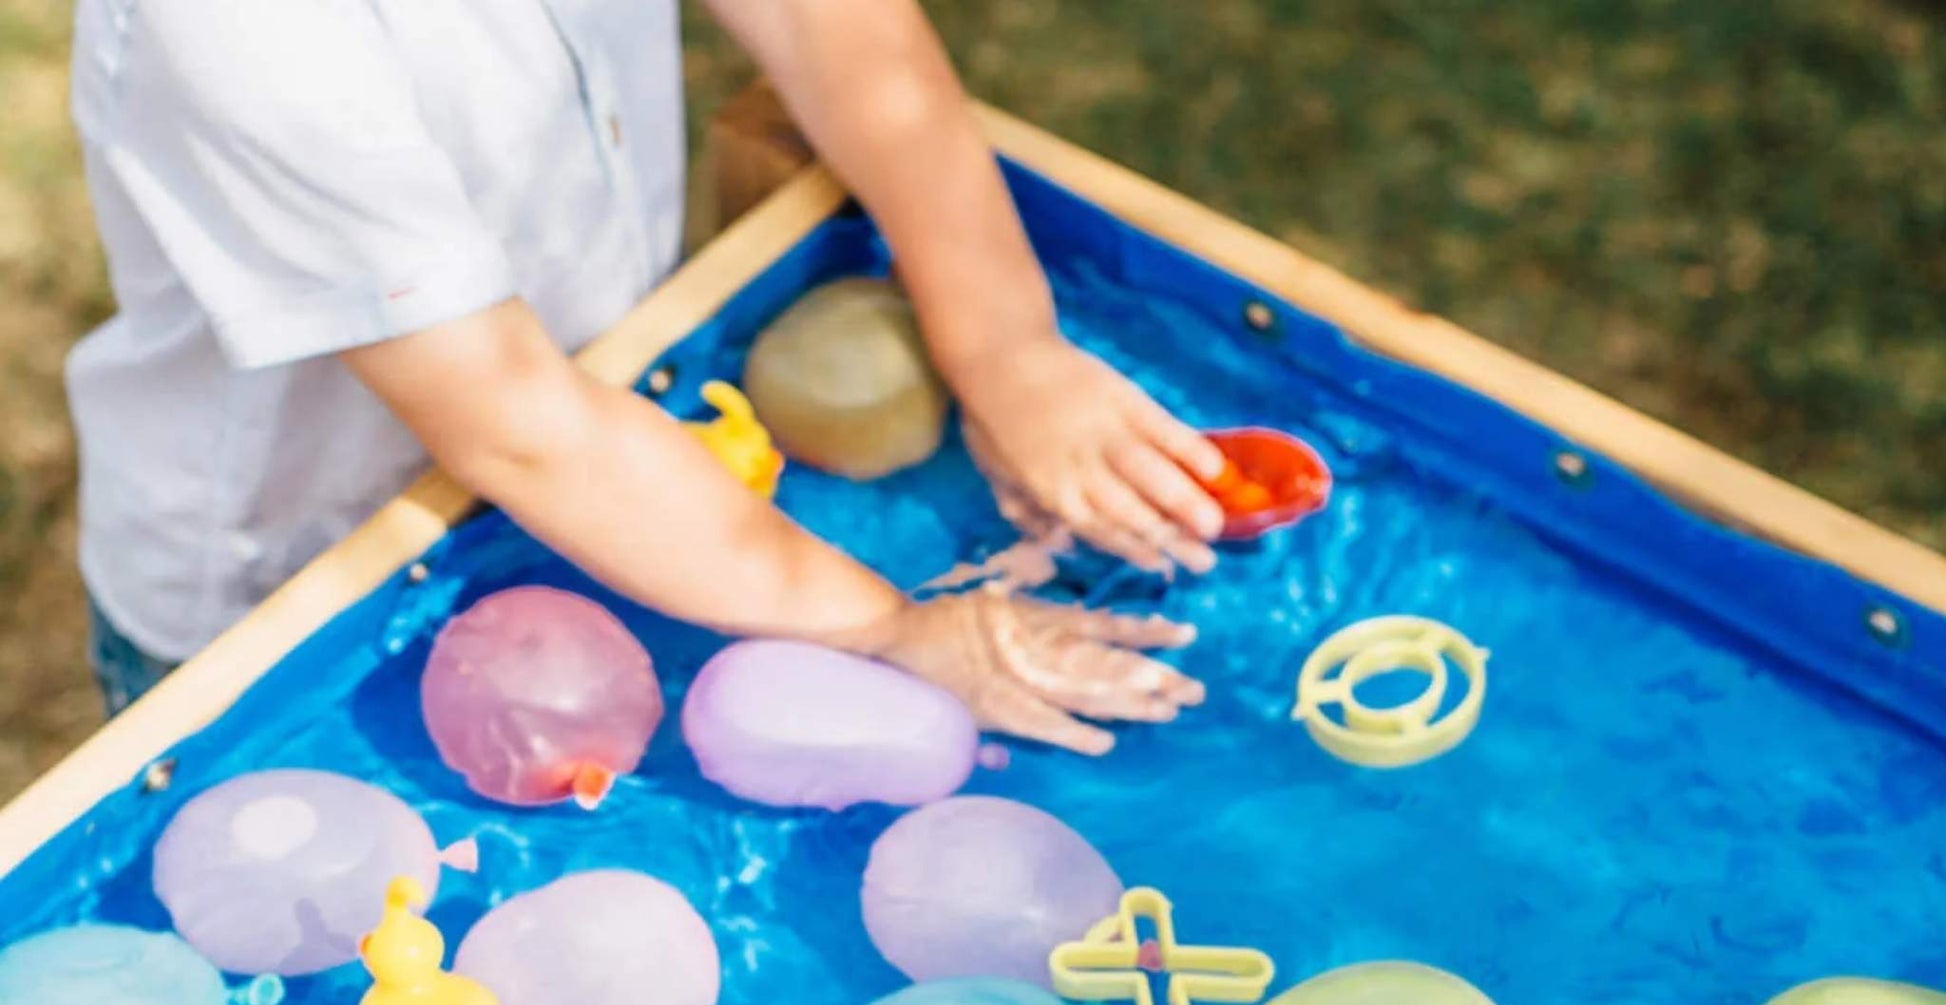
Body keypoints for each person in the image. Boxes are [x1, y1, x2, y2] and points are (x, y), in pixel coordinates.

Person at [67, 0, 1227, 749]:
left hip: (609, 441)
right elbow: (513, 421)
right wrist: (896, 631)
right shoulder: (238, 27)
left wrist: (1004, 344)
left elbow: (834, 32)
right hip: (302, 579)